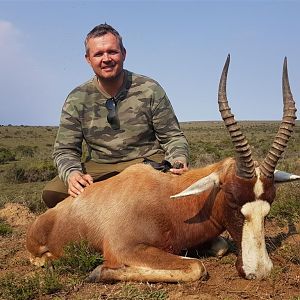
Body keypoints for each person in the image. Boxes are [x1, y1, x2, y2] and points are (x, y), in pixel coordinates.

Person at [42, 23, 189, 208]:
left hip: (147, 164)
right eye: (98, 54)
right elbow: (65, 150)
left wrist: (178, 160)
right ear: (88, 59)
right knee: (52, 193)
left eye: (112, 52)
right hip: (101, 168)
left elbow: (173, 137)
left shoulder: (150, 89)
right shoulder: (76, 98)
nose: (106, 59)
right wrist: (72, 174)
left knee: (181, 190)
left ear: (124, 54)